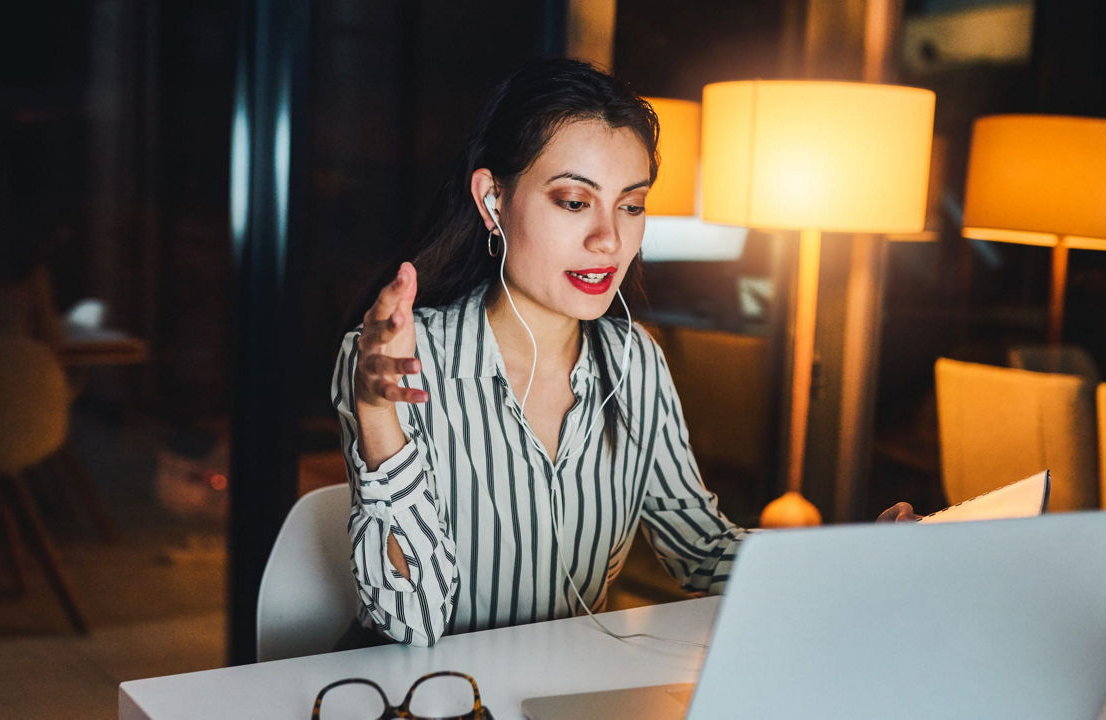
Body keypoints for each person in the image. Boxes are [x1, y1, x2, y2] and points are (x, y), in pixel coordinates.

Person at [332, 58, 917, 648]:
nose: (609, 239)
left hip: (561, 699)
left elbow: (701, 548)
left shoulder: (635, 361)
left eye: (631, 206)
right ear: (492, 201)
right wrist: (379, 419)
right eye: (573, 201)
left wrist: (855, 561)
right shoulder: (390, 364)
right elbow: (411, 624)